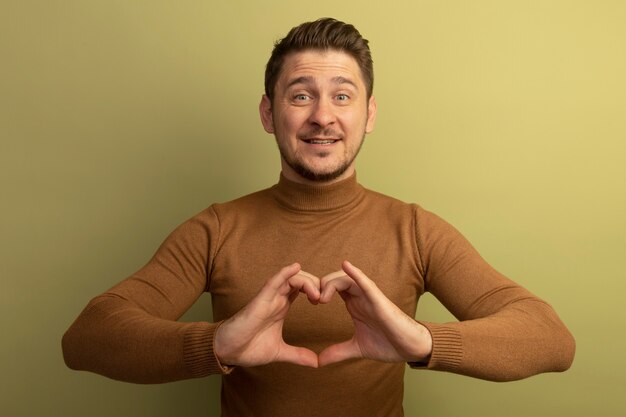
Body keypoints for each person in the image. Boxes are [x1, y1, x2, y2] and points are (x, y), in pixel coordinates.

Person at [62, 17, 575, 417]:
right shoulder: (215, 229)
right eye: (301, 95)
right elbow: (88, 338)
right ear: (269, 113)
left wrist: (419, 342)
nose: (323, 116)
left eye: (343, 96)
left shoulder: (415, 231)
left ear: (368, 115)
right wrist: (218, 343)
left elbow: (550, 338)